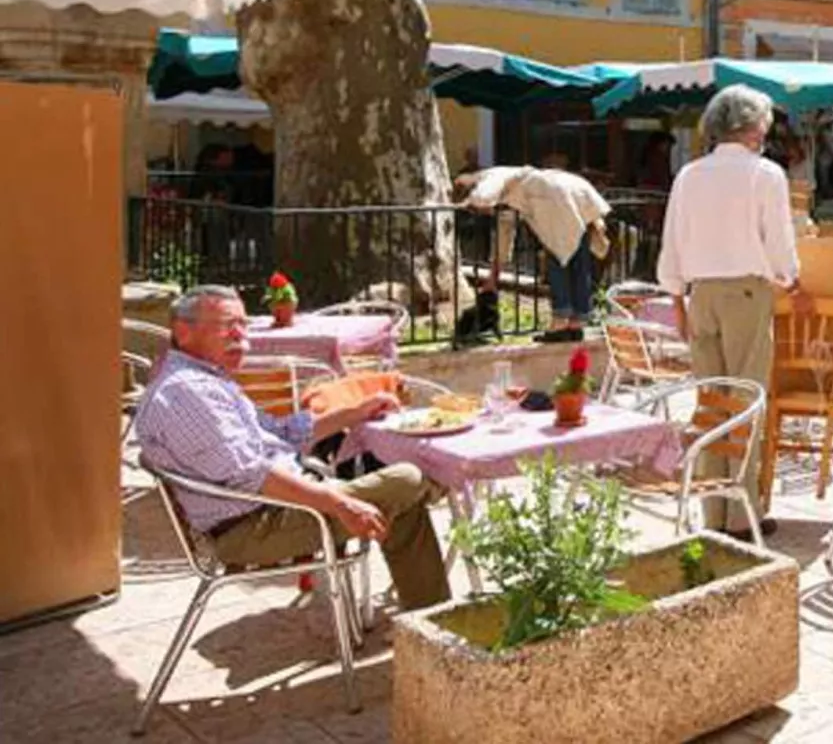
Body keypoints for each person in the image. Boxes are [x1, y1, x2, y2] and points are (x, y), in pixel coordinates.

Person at [135, 286, 451, 610]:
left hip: (274, 506)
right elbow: (253, 475)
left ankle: (428, 620)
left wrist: (356, 411)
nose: (240, 336)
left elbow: (279, 432)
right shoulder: (187, 391)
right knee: (408, 479)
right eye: (227, 325)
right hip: (252, 528)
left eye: (243, 324)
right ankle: (441, 490)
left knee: (400, 499)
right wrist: (339, 502)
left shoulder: (207, 380)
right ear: (183, 332)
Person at [657, 85, 804, 541]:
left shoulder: (689, 174)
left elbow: (673, 239)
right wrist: (791, 277)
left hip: (700, 295)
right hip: (744, 293)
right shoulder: (766, 174)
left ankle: (713, 513)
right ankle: (742, 516)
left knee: (710, 404)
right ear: (753, 126)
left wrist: (677, 297)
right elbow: (779, 243)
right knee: (744, 402)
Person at [455, 165, 611, 338]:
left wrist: (466, 203)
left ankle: (560, 323)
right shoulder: (508, 193)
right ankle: (577, 324)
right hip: (573, 190)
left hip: (556, 195)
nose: (484, 214)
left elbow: (481, 197)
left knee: (558, 258)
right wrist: (493, 279)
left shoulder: (490, 177)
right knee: (578, 262)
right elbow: (505, 236)